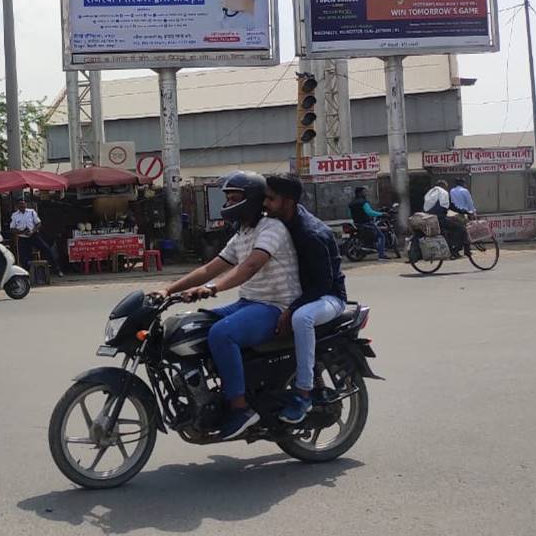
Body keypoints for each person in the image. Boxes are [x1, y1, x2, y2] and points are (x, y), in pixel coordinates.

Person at [154, 170, 301, 441]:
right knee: (190, 326)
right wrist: (167, 290)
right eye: (229, 197)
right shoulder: (243, 233)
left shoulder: (271, 229)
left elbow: (250, 266)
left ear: (252, 200)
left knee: (223, 333)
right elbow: (211, 268)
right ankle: (211, 394)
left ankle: (240, 408)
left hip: (275, 306)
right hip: (249, 302)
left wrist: (213, 288)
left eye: (235, 197)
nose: (229, 203)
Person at [264, 174, 347, 424]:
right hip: (299, 295)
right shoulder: (279, 223)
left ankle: (303, 393)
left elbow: (322, 284)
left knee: (302, 318)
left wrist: (291, 309)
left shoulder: (311, 233)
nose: (265, 204)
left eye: (270, 198)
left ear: (287, 201)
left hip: (328, 297)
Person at [9, 198, 59, 275]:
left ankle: (57, 269)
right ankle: (27, 274)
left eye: (23, 204)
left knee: (46, 249)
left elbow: (38, 223)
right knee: (24, 257)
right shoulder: (15, 215)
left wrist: (32, 231)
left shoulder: (31, 212)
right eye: (20, 204)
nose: (22, 205)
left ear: (26, 204)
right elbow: (12, 229)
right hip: (23, 238)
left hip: (34, 235)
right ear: (17, 206)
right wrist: (22, 232)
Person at [423, 178, 469, 254]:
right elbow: (451, 206)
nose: (446, 188)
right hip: (439, 219)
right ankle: (454, 250)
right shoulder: (443, 193)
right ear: (442, 186)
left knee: (449, 229)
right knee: (461, 229)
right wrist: (465, 211)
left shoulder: (431, 193)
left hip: (430, 220)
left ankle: (451, 249)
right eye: (445, 187)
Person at [349, 186, 390, 260]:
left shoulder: (351, 203)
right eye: (364, 192)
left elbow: (349, 214)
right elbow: (370, 212)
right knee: (381, 236)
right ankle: (381, 255)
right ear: (360, 193)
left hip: (357, 223)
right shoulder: (363, 202)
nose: (366, 193)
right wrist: (382, 214)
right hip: (366, 223)